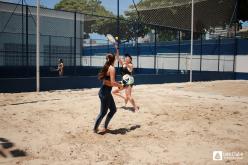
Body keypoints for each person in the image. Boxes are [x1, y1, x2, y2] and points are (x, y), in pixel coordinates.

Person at [93, 48, 123, 133]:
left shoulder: (106, 67)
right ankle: (95, 129)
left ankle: (104, 127)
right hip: (105, 93)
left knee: (113, 110)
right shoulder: (112, 68)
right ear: (113, 60)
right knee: (103, 113)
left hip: (104, 91)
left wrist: (117, 83)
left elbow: (106, 81)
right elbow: (112, 83)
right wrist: (119, 85)